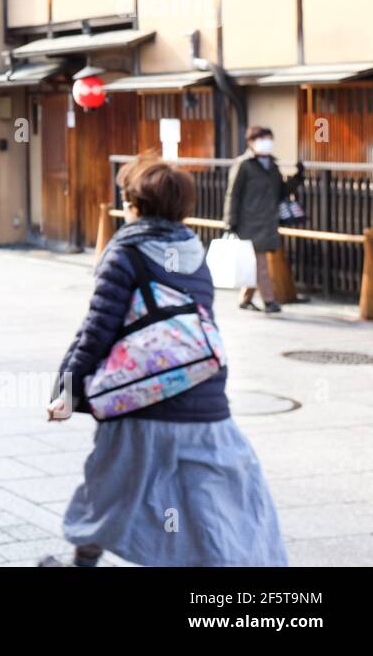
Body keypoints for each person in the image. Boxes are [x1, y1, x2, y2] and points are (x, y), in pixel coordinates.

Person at [40, 156, 287, 567]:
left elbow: (95, 333)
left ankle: (81, 564)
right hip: (204, 405)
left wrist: (65, 393)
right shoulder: (195, 254)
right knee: (214, 503)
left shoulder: (126, 253)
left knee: (109, 491)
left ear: (135, 206)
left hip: (139, 402)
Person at [222, 126, 305, 313]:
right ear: (251, 142)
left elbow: (281, 191)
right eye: (262, 139)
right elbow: (232, 194)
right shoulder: (243, 165)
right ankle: (269, 300)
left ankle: (245, 299)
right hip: (248, 222)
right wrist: (230, 221)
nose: (266, 143)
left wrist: (298, 177)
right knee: (261, 264)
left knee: (256, 263)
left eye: (269, 139)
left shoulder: (272, 165)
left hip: (268, 221)